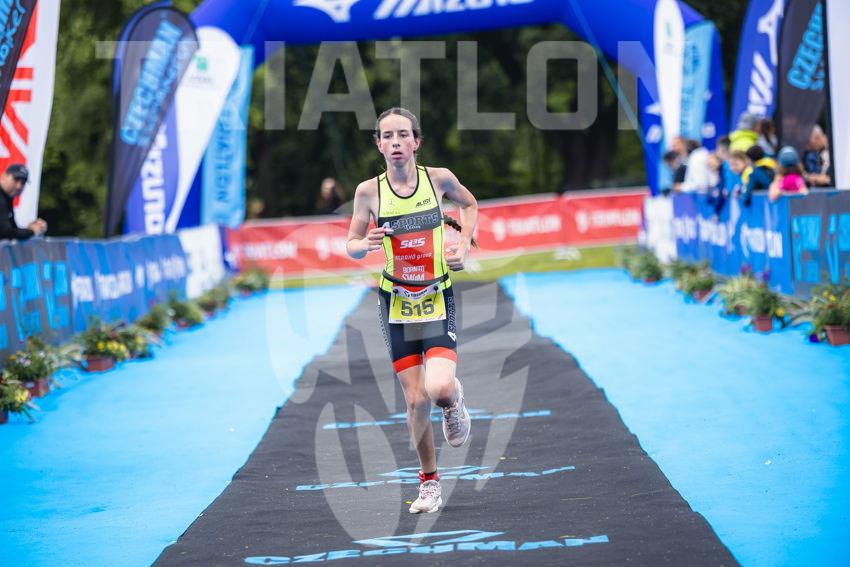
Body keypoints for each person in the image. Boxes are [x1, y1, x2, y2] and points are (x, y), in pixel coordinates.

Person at [346, 108, 477, 514]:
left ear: (416, 142)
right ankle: (429, 483)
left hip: (436, 298)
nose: (396, 142)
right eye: (388, 136)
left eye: (403, 134)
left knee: (438, 390)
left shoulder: (439, 179)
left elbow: (469, 204)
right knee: (416, 400)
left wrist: (462, 245)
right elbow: (351, 243)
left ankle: (454, 400)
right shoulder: (368, 192)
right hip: (396, 305)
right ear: (379, 145)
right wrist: (364, 244)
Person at [0, 164, 47, 241]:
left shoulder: (7, 198)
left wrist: (30, 229)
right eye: (16, 179)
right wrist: (32, 231)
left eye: (23, 182)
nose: (19, 186)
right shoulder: (2, 198)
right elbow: (5, 233)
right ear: (4, 176)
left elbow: (11, 230)